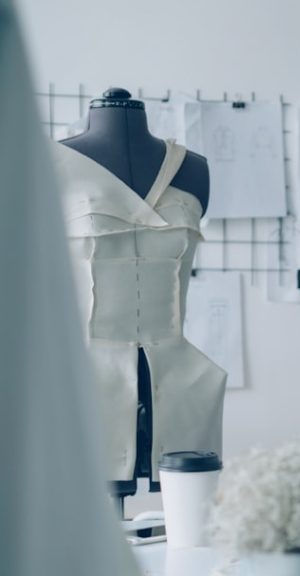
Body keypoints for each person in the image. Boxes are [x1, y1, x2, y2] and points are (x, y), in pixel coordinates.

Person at [54, 88, 226, 508]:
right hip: (85, 379)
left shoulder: (193, 169)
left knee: (188, 525)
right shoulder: (51, 166)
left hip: (178, 376)